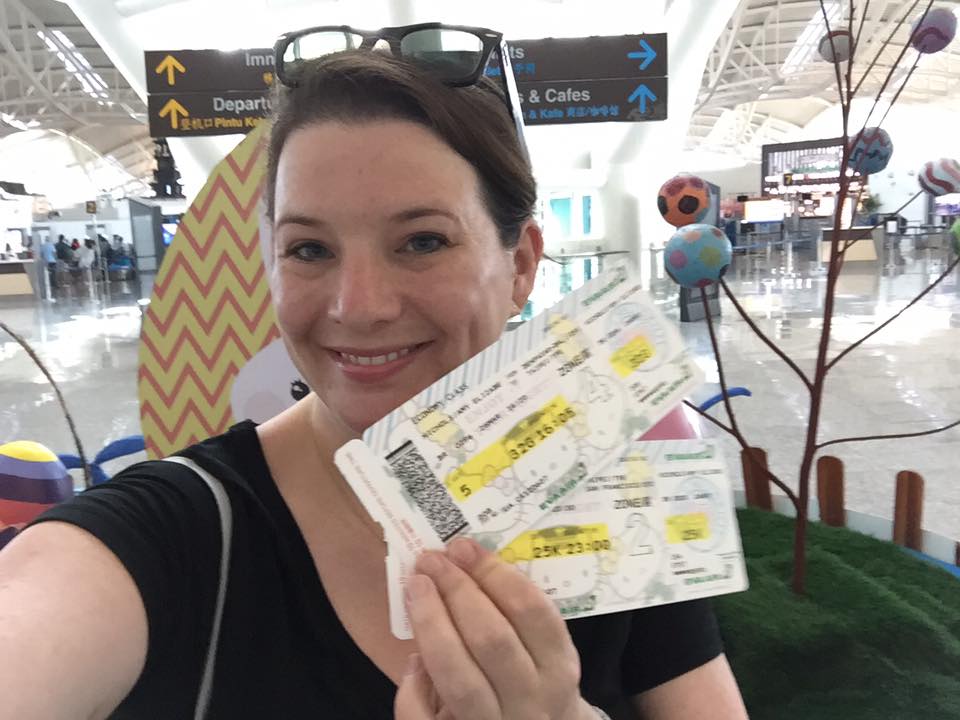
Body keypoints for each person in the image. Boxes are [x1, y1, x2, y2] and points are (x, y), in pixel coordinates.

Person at [0, 24, 748, 720]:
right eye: (310, 249)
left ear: (520, 265)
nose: (358, 308)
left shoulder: (607, 487)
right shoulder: (176, 538)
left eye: (422, 242)